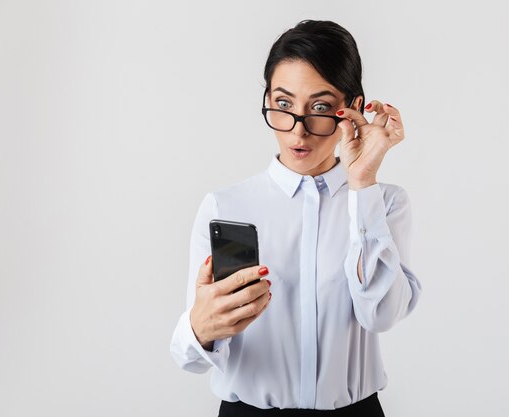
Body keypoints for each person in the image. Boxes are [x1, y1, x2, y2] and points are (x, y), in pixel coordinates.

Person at [170, 19, 422, 416]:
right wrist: (200, 329)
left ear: (353, 108)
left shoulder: (384, 203)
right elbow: (191, 358)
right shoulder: (226, 207)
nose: (297, 132)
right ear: (268, 98)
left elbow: (381, 314)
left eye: (320, 108)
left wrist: (362, 184)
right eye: (284, 105)